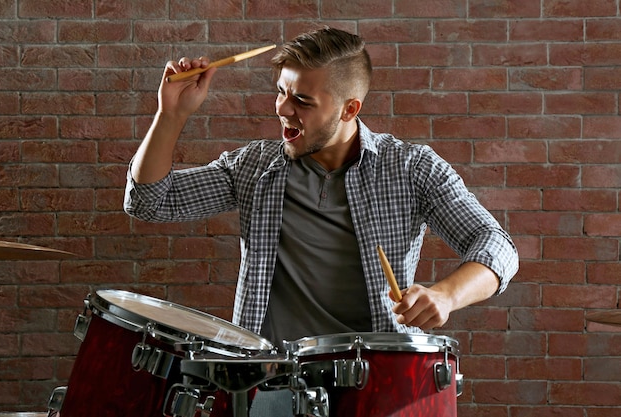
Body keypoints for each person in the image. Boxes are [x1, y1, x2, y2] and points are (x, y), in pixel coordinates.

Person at [124, 27, 519, 416]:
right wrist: (170, 115)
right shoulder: (254, 167)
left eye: (302, 100)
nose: (282, 108)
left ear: (349, 109)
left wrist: (446, 295)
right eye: (281, 91)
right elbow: (149, 201)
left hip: (378, 387)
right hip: (269, 386)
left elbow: (496, 245)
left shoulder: (411, 169)